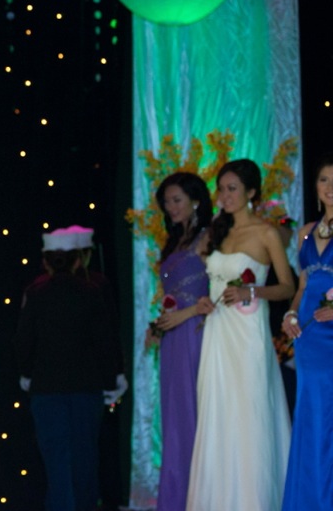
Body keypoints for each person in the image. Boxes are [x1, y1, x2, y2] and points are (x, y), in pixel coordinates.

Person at [187, 158, 294, 511]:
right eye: (221, 188)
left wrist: (252, 292)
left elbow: (287, 287)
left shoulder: (266, 233)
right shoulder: (217, 232)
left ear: (251, 192)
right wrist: (204, 300)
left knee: (248, 417)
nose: (225, 195)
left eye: (233, 189)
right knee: (218, 416)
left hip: (248, 336)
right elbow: (213, 282)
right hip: (217, 333)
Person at [17, 227, 126, 511]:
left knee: (56, 461)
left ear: (46, 261)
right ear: (80, 258)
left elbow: (24, 341)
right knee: (84, 458)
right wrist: (113, 377)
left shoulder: (35, 292)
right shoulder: (94, 289)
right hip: (86, 388)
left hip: (46, 389)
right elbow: (106, 339)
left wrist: (27, 374)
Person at [147, 172, 213, 511]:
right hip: (173, 337)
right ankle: (176, 499)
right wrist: (158, 325)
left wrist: (183, 317)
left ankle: (200, 498)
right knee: (173, 419)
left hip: (197, 334)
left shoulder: (209, 236)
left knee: (194, 415)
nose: (171, 207)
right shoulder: (174, 241)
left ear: (195, 199)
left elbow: (214, 296)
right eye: (166, 202)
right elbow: (173, 294)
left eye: (176, 200)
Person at [280, 153, 333, 510]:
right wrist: (290, 314)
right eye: (324, 179)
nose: (331, 187)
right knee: (312, 414)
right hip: (309, 335)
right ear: (315, 188)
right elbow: (301, 285)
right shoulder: (304, 233)